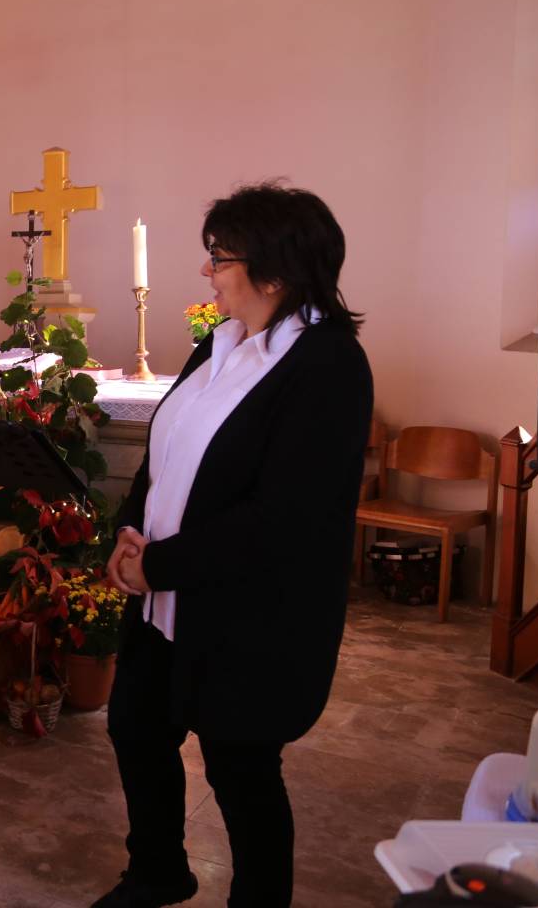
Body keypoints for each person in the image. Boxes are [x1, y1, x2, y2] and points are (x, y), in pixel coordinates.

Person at [94, 183, 373, 908]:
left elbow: (283, 517)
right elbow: (164, 456)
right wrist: (129, 529)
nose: (208, 272)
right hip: (162, 604)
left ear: (274, 272)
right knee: (136, 729)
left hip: (247, 618)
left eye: (220, 257)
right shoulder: (213, 347)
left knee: (240, 772)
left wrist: (157, 564)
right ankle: (157, 869)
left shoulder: (328, 367)